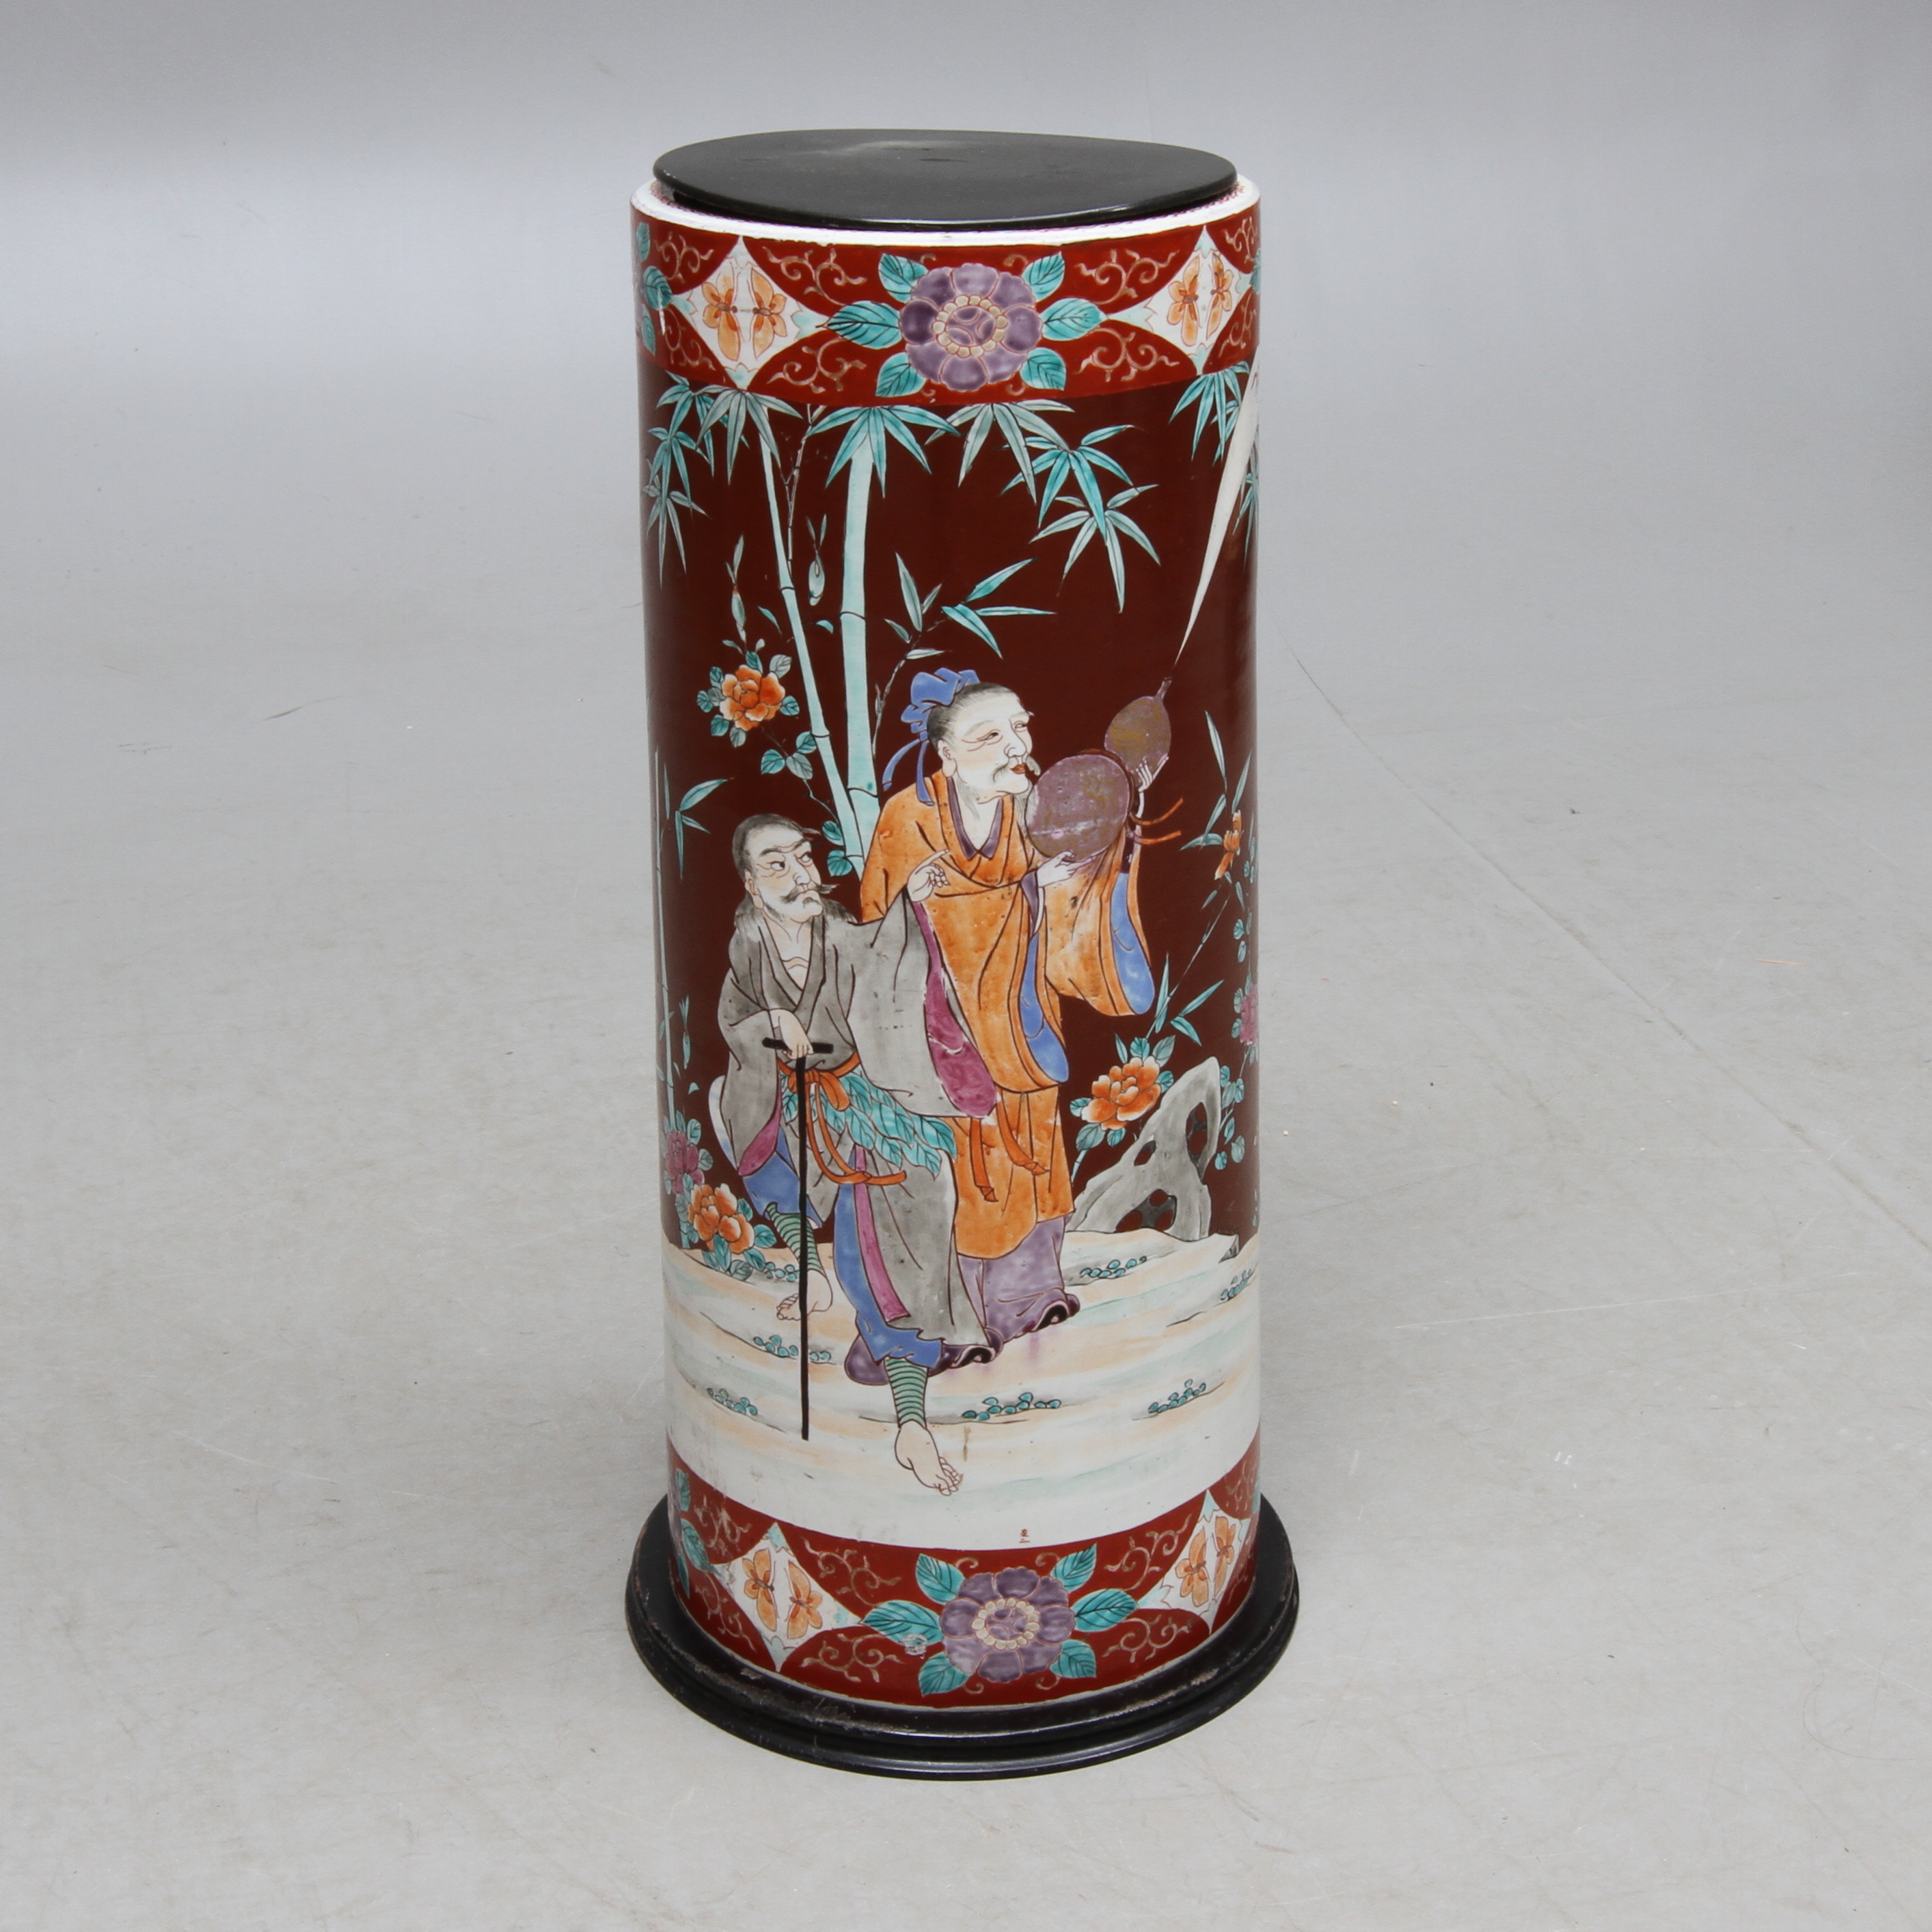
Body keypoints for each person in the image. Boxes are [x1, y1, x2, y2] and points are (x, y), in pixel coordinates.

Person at [860, 670, 1158, 1352]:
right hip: (944, 1035)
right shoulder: (908, 817)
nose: (1014, 746)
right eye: (989, 735)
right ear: (946, 752)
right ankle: (959, 1314)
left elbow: (1072, 892)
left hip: (1021, 1022)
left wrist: (1105, 832)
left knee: (1033, 1151)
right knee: (965, 1164)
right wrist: (1009, 891)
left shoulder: (1035, 809)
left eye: (1019, 727)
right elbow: (877, 926)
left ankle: (1030, 1296)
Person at [713, 813, 996, 1495]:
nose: (798, 874)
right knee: (741, 1117)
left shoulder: (841, 934)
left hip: (864, 1109)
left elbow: (887, 954)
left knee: (886, 1263)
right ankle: (804, 1264)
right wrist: (770, 1023)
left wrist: (911, 903)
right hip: (790, 1105)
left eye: (802, 857)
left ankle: (911, 1424)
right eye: (776, 864)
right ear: (750, 883)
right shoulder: (747, 948)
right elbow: (733, 1023)